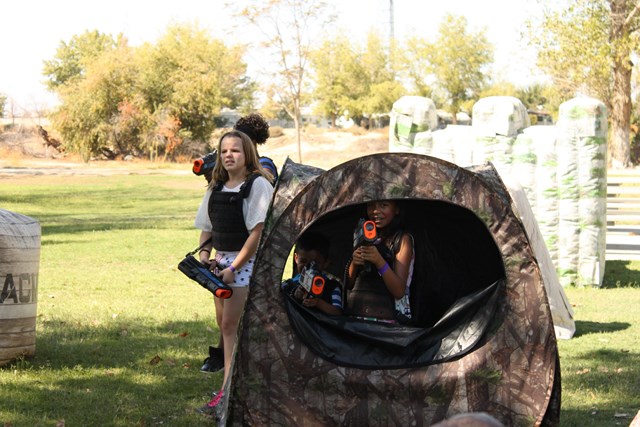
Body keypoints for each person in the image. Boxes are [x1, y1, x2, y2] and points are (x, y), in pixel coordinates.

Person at [193, 130, 274, 416]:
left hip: (244, 263)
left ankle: (228, 394)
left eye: (235, 150)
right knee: (225, 326)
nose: (229, 155)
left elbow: (257, 232)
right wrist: (205, 257)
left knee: (230, 326)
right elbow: (208, 227)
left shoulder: (258, 185)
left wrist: (233, 268)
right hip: (220, 263)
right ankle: (234, 388)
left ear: (247, 154)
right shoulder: (216, 187)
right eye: (224, 151)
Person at [345, 200, 414, 324]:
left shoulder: (402, 240)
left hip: (388, 322)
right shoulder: (361, 234)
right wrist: (354, 263)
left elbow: (399, 291)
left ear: (397, 209)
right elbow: (348, 283)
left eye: (384, 205)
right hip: (357, 319)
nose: (375, 211)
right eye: (371, 205)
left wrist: (379, 261)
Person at [281, 231, 343, 316]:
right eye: (303, 261)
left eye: (315, 263)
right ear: (296, 258)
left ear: (326, 263)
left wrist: (318, 303)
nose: (308, 267)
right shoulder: (288, 285)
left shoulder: (331, 287)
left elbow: (338, 313)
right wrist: (294, 295)